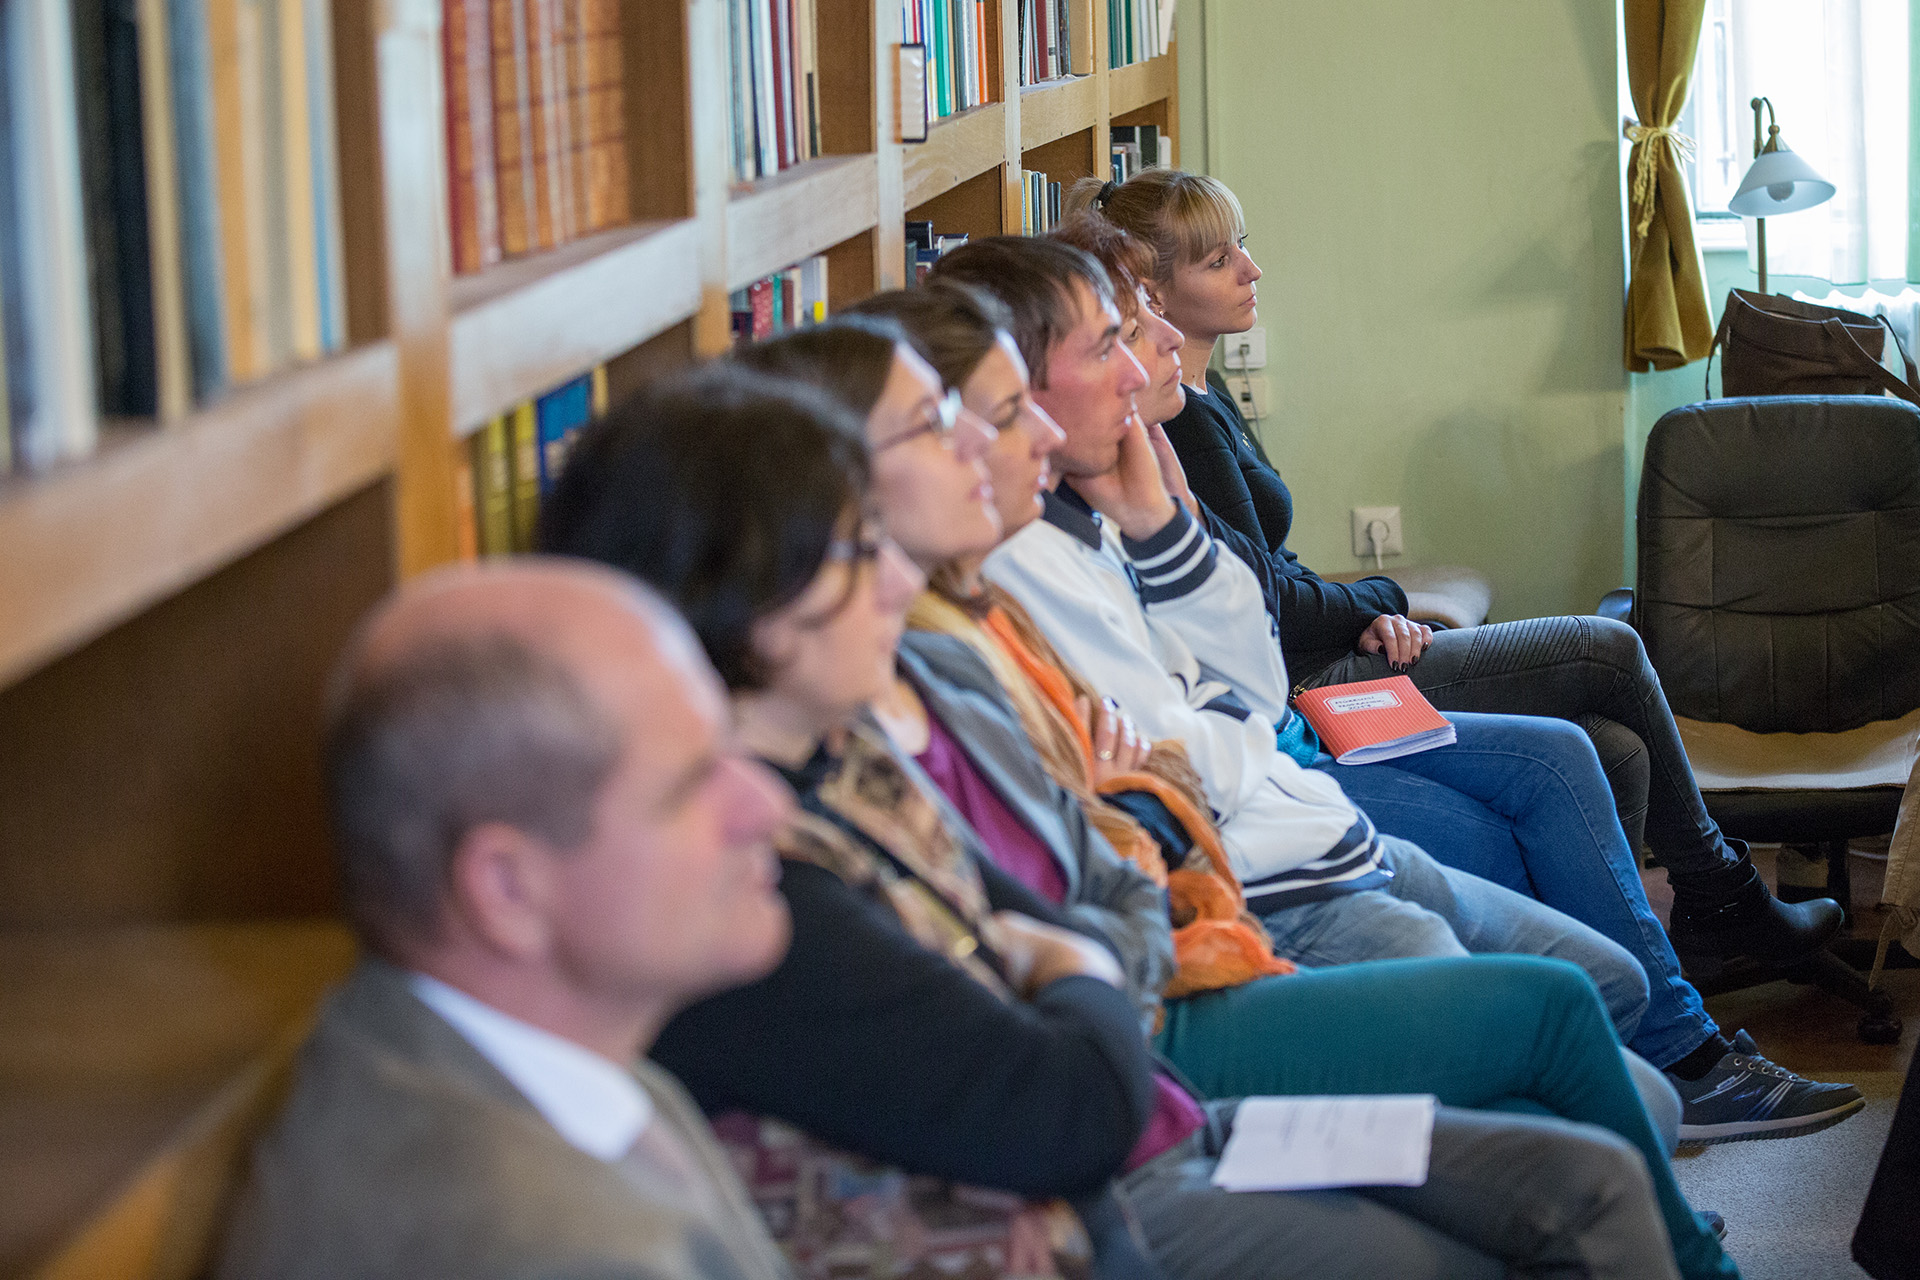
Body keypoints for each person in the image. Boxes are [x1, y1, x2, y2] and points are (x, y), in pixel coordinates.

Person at [538, 358, 1711, 1280]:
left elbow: (1131, 832)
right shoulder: (782, 847)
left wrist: (1165, 542)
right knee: (1561, 1096)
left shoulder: (910, 694)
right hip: (1167, 1064)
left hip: (1191, 1008)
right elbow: (1077, 1041)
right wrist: (1098, 921)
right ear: (741, 590)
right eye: (853, 549)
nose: (890, 577)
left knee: (1595, 1110)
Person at [927, 229, 1863, 1144]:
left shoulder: (1163, 447)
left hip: (1292, 742)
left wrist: (1300, 612)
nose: (1162, 341)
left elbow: (1251, 616)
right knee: (1599, 663)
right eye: (1128, 330)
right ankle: (1695, 986)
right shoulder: (1086, 510)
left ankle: (1683, 979)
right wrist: (1375, 599)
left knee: (1596, 749)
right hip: (1296, 749)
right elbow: (1231, 688)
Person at [1069, 167, 1843, 979]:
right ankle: (1720, 898)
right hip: (1308, 684)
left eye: (1243, 247)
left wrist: (1362, 612)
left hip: (1326, 648)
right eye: (1219, 260)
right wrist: (1382, 598)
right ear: (1151, 291)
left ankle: (1619, 970)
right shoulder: (1178, 423)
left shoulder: (1204, 389)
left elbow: (1268, 564)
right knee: (1607, 650)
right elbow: (1264, 599)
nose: (1251, 270)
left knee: (1616, 747)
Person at [216, 560, 797, 1280]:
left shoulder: (525, 1071)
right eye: (691, 784)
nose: (767, 806)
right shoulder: (534, 1250)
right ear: (508, 890)